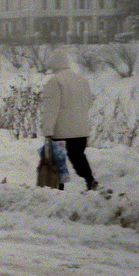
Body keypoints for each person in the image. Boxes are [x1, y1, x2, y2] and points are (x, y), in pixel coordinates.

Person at [41, 48, 98, 191]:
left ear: (54, 64)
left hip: (61, 131)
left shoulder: (54, 81)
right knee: (78, 157)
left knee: (56, 160)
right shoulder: (82, 80)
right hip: (81, 129)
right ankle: (90, 180)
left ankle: (57, 190)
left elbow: (51, 109)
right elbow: (89, 103)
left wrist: (47, 130)